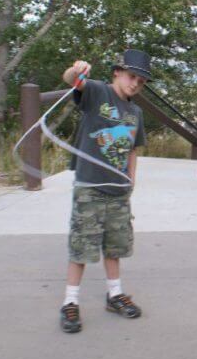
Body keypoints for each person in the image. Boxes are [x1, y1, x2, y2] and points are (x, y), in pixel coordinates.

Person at [59, 49, 149, 333]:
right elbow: (72, 80)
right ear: (117, 72)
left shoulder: (136, 112)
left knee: (115, 246)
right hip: (90, 188)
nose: (135, 83)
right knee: (82, 248)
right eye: (131, 76)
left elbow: (134, 148)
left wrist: (131, 180)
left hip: (118, 190)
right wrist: (77, 69)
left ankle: (114, 295)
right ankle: (70, 302)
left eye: (141, 81)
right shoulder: (98, 93)